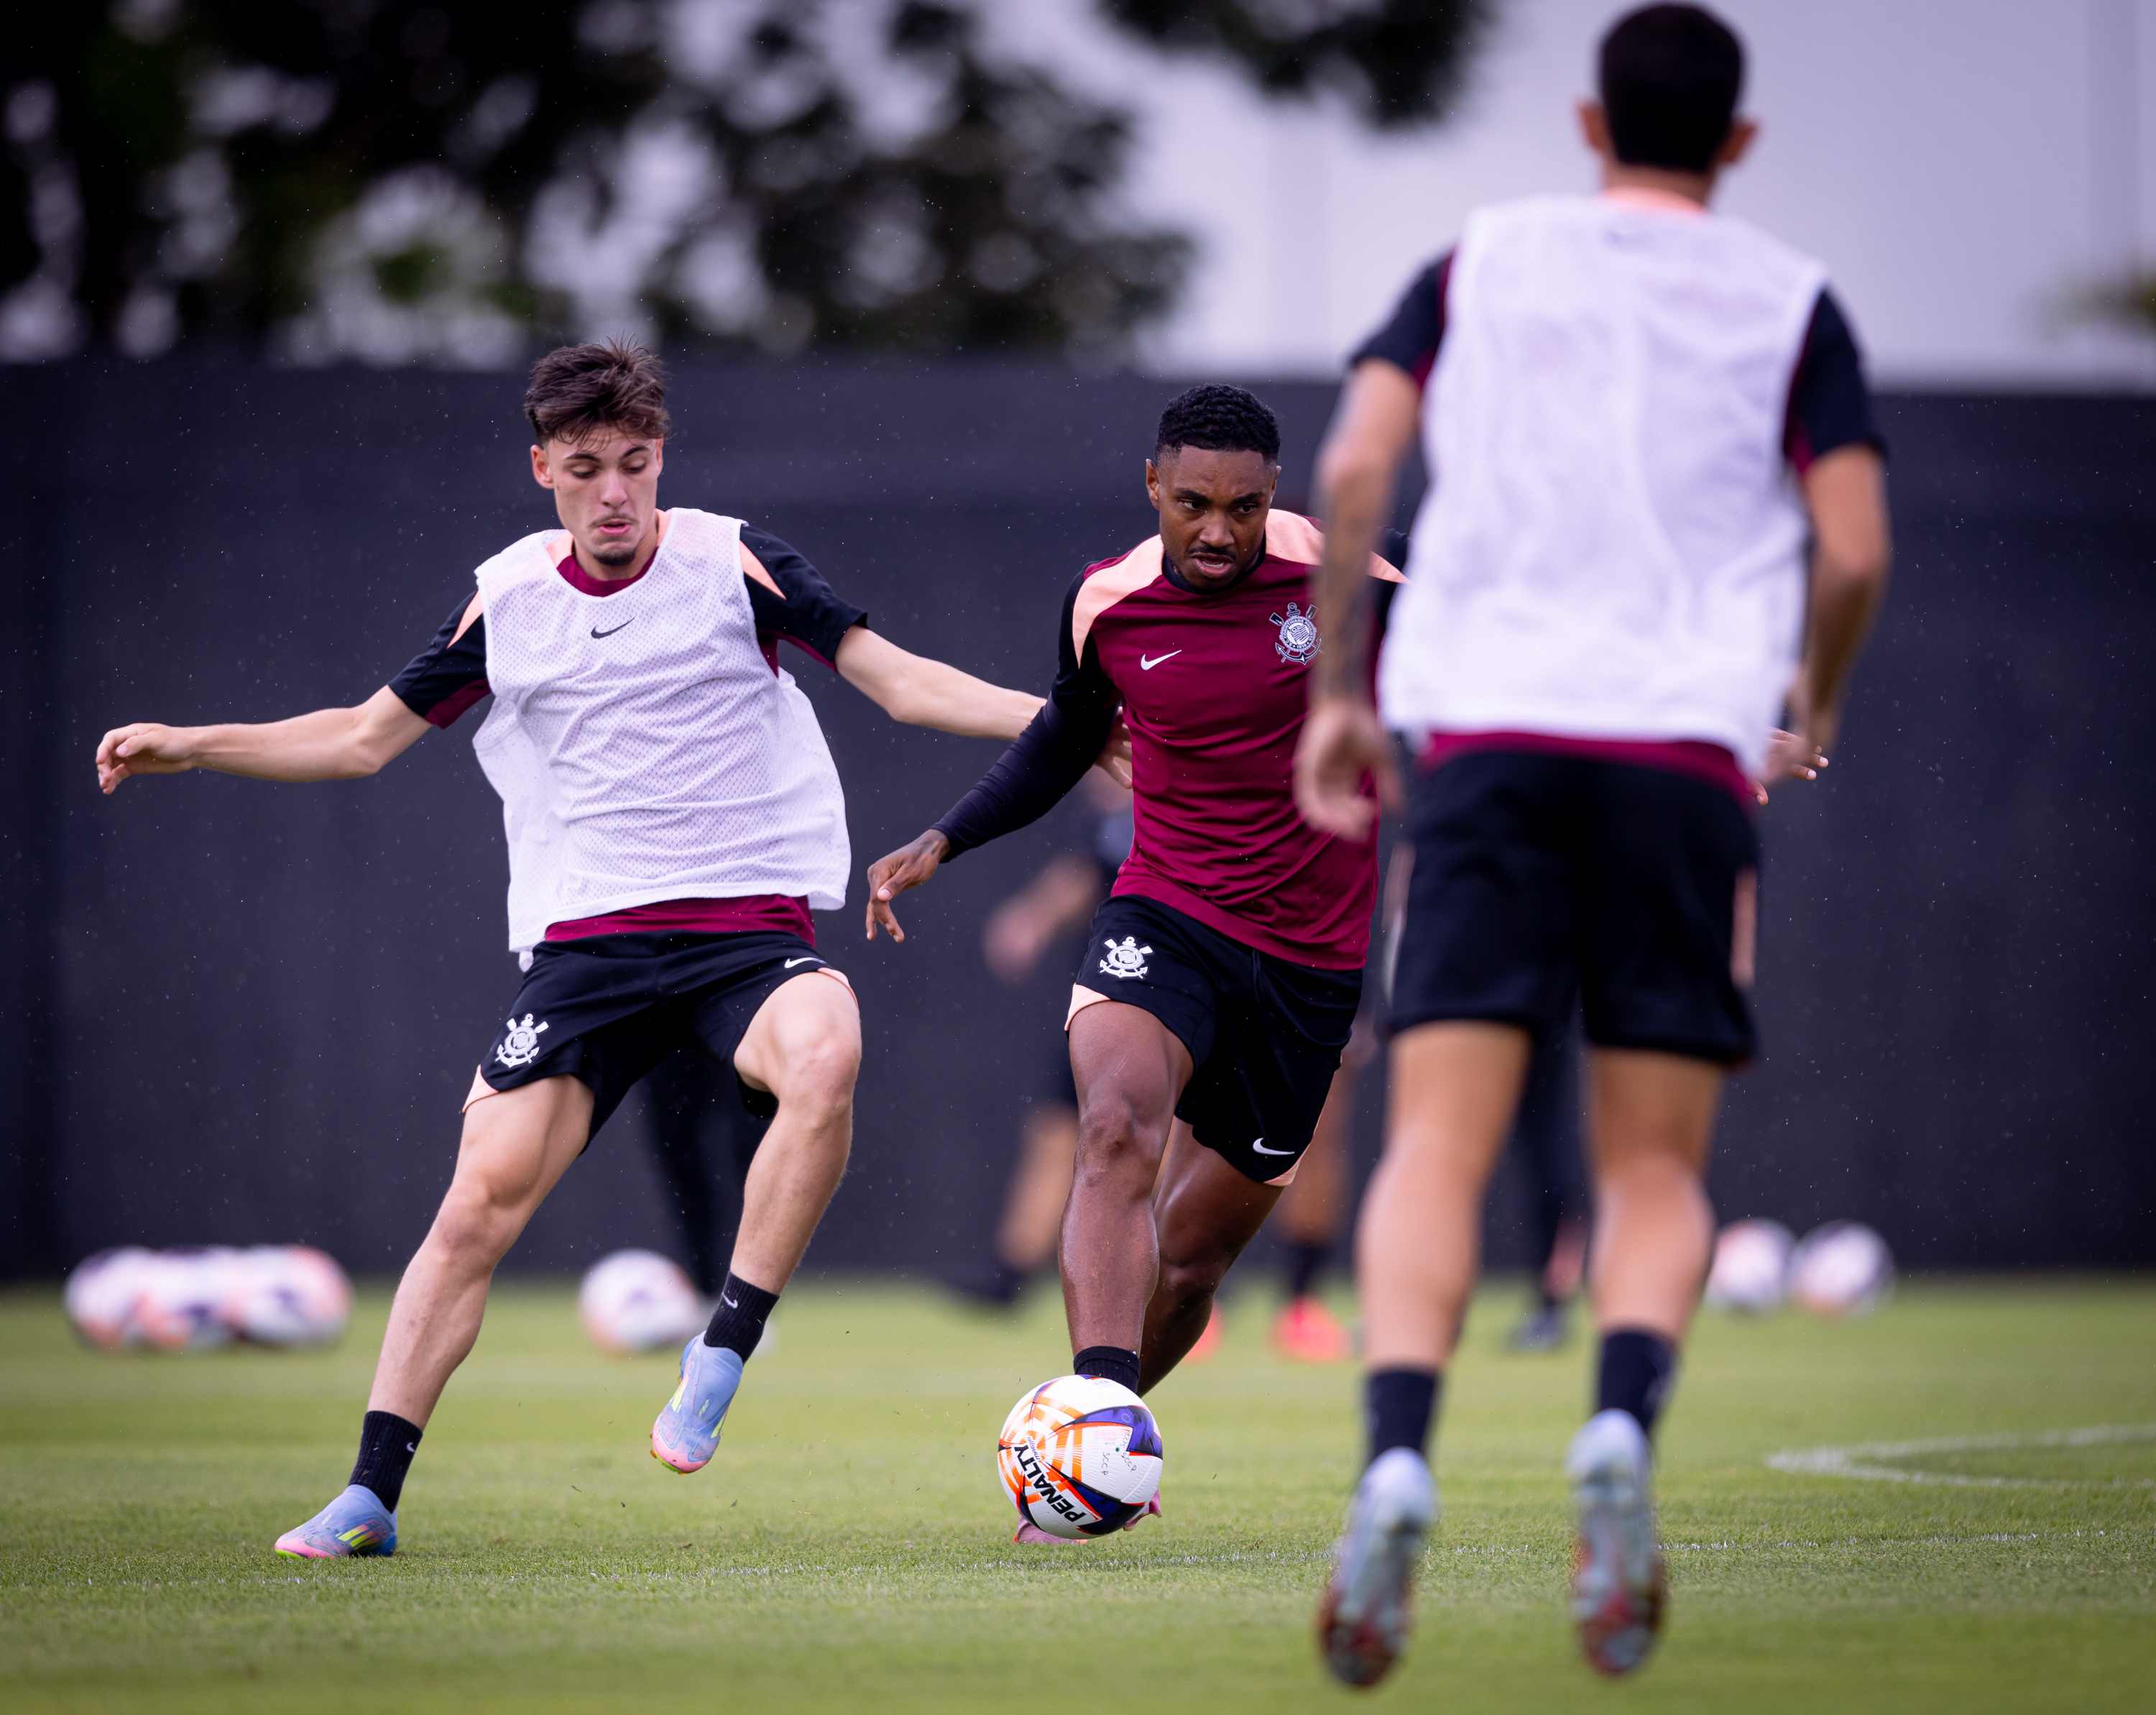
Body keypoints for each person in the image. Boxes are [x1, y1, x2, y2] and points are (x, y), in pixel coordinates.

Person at [94, 340, 1115, 1559]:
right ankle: (368, 1494)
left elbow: (898, 683)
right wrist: (194, 742)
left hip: (744, 938)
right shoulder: (508, 599)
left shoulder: (736, 562)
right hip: (588, 954)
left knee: (827, 1045)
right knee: (475, 1205)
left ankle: (720, 1349)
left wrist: (1067, 726)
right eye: (587, 469)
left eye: (635, 463)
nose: (615, 492)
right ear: (544, 470)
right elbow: (361, 738)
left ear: (662, 457)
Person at [1294, 4, 1890, 1683]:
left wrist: (1339, 690)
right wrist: (1810, 698)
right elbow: (1852, 550)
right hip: (1680, 758)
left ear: (1587, 122)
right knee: (1651, 1167)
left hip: (1487, 744)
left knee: (1436, 1145)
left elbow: (1354, 462)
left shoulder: (1476, 262)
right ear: (1740, 141)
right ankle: (1617, 1424)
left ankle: (1395, 1458)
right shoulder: (1794, 301)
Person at [865, 385, 1405, 1472]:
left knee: (1193, 1262)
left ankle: (1101, 1429)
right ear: (1153, 486)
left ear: (1275, 494)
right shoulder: (1104, 603)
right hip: (1167, 911)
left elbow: (1519, 642)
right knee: (1112, 1125)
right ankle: (1089, 1442)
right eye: (1193, 503)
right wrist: (947, 836)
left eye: (1244, 507)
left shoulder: (1357, 576)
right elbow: (1065, 737)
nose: (1219, 531)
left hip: (1310, 962)